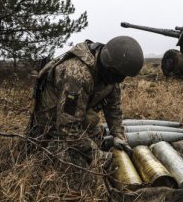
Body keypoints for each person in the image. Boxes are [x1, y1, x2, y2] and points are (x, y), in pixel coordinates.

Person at [27, 36, 144, 166]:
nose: (120, 81)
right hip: (51, 128)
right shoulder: (77, 75)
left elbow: (113, 108)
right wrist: (96, 154)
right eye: (118, 76)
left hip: (73, 120)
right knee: (76, 163)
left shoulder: (111, 73)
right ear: (108, 66)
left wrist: (118, 135)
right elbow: (68, 128)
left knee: (97, 138)